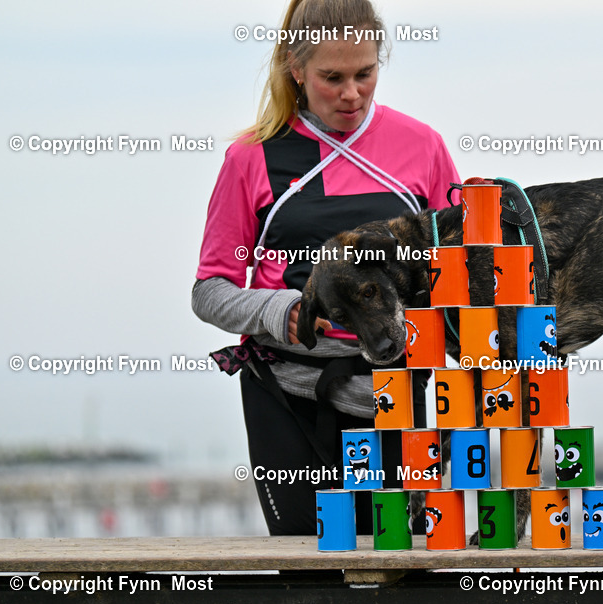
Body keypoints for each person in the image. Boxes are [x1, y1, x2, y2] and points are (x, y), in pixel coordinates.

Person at [192, 0, 460, 535]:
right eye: (331, 77)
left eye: (366, 73)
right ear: (296, 68)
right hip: (287, 396)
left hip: (395, 396)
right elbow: (209, 291)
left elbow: (459, 274)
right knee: (305, 576)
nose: (352, 93)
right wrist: (276, 309)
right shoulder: (253, 157)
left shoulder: (422, 147)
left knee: (397, 572)